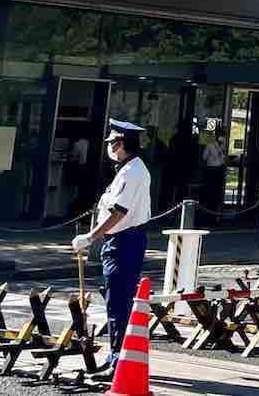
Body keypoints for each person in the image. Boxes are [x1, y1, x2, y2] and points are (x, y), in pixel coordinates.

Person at [73, 121, 151, 375]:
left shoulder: (132, 172)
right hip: (121, 241)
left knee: (118, 303)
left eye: (112, 143)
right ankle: (117, 356)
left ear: (121, 144)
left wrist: (91, 237)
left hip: (125, 242)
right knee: (116, 301)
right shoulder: (128, 169)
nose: (109, 148)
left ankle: (119, 361)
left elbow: (119, 212)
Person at [199, 126, 227, 217]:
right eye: (220, 135)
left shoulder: (223, 146)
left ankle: (215, 215)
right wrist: (218, 149)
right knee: (210, 193)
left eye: (223, 136)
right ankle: (207, 214)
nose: (222, 137)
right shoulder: (210, 145)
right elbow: (204, 157)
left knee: (217, 194)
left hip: (219, 170)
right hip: (211, 171)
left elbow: (222, 158)